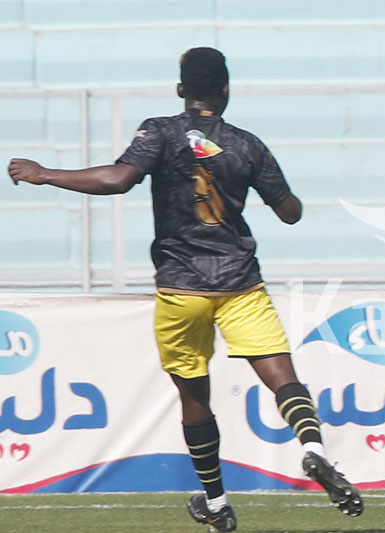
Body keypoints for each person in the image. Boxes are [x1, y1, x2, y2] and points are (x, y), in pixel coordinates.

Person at [7, 47, 362, 532]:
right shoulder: (248, 144)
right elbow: (290, 212)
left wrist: (45, 173)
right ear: (227, 89)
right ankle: (313, 448)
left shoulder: (160, 130)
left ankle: (216, 502)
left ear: (180, 91)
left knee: (195, 397)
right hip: (240, 282)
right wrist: (270, 185)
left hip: (182, 286)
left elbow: (118, 180)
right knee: (283, 377)